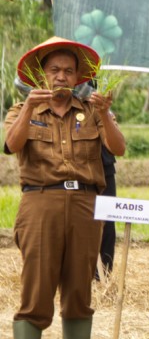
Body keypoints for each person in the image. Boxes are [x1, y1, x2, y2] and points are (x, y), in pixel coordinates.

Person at [3, 37, 126, 339]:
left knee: (79, 288)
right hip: (40, 202)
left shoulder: (92, 111)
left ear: (77, 78)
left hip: (86, 204)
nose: (61, 77)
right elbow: (12, 145)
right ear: (41, 75)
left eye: (68, 71)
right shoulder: (21, 109)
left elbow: (118, 148)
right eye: (54, 70)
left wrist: (106, 113)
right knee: (37, 286)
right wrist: (29, 107)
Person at [14, 76, 118, 280]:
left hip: (98, 160)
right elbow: (21, 83)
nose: (62, 75)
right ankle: (57, 275)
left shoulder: (88, 82)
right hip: (61, 157)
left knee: (104, 220)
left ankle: (101, 275)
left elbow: (114, 137)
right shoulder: (46, 80)